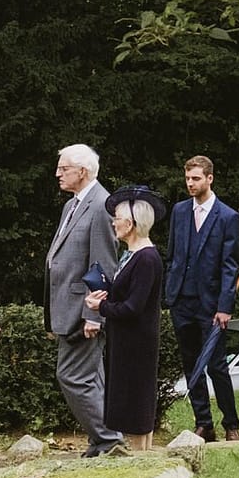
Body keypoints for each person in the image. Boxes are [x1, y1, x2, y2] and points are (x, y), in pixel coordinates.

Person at [46, 143, 124, 457]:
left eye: (63, 168)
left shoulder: (101, 204)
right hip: (67, 308)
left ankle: (108, 438)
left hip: (84, 311)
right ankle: (103, 439)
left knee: (72, 377)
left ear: (83, 171)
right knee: (91, 379)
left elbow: (103, 264)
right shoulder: (73, 205)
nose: (58, 173)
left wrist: (94, 315)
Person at [162, 155, 239, 441]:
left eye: (196, 178)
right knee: (191, 363)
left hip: (211, 305)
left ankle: (231, 424)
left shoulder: (228, 217)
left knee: (217, 365)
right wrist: (170, 292)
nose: (190, 184)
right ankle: (203, 423)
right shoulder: (180, 211)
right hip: (181, 300)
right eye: (187, 179)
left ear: (210, 178)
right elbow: (172, 254)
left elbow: (229, 266)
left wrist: (225, 306)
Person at [85, 187, 166, 452]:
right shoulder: (132, 254)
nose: (113, 222)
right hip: (126, 340)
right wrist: (107, 290)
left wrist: (101, 306)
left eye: (117, 218)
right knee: (133, 401)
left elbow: (133, 307)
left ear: (130, 224)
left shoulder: (146, 258)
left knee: (135, 402)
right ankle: (141, 457)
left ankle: (141, 457)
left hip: (136, 343)